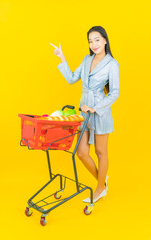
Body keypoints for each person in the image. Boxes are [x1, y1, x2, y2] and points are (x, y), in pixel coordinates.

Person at [50, 26, 120, 203]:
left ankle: (99, 189)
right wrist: (61, 57)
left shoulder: (112, 64)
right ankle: (102, 182)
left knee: (100, 152)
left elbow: (115, 93)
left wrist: (95, 107)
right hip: (83, 112)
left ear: (105, 40)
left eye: (97, 39)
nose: (94, 44)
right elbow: (72, 78)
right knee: (81, 153)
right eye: (90, 41)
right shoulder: (86, 59)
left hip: (100, 113)